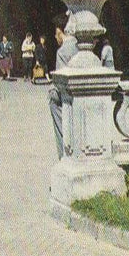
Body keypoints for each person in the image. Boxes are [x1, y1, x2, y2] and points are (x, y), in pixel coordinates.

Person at [49, 24, 79, 158]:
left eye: (56, 34)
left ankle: (63, 155)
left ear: (61, 32)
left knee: (54, 103)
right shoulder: (79, 46)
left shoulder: (61, 51)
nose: (55, 38)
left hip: (67, 97)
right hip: (81, 93)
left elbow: (60, 81)